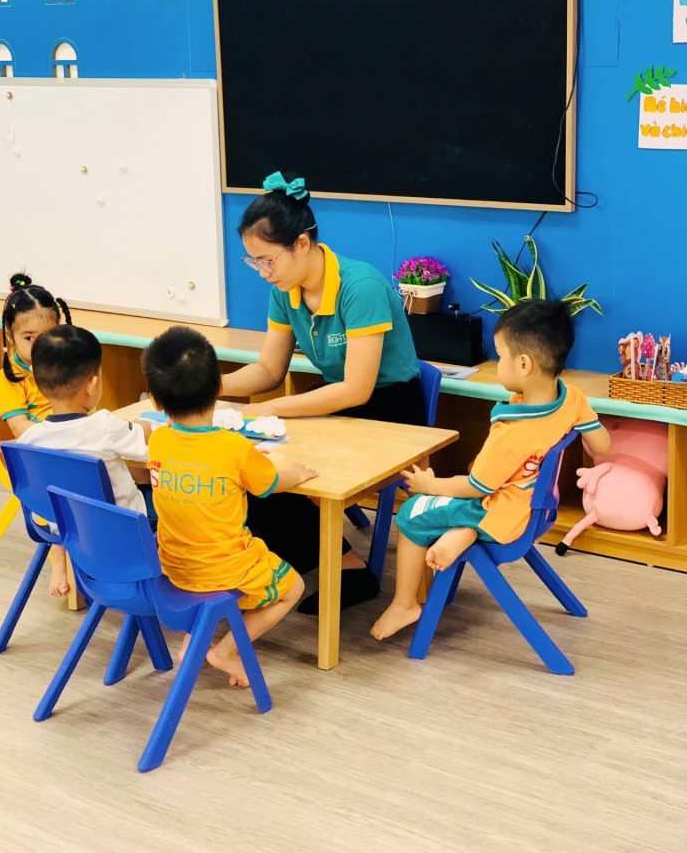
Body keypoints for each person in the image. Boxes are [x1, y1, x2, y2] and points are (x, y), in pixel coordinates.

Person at [221, 171, 424, 613]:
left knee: (276, 471)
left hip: (391, 408)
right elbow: (268, 369)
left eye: (267, 260)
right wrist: (212, 387)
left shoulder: (360, 287)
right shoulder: (285, 289)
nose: (263, 273)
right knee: (253, 470)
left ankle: (348, 570)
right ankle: (329, 560)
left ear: (302, 243)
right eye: (254, 263)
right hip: (338, 401)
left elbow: (357, 389)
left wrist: (269, 409)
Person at [371, 299, 611, 640]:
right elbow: (602, 446)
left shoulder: (511, 433)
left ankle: (405, 603)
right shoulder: (570, 396)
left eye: (500, 356)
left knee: (411, 513)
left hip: (500, 511)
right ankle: (462, 533)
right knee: (451, 498)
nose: (497, 364)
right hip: (538, 507)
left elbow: (477, 487)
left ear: (524, 364)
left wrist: (430, 485)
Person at [142, 326, 317, 687]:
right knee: (293, 588)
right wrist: (295, 473)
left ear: (156, 402)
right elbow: (271, 484)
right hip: (223, 568)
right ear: (219, 387)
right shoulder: (234, 448)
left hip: (173, 565)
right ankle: (225, 650)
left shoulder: (158, 442)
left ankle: (197, 636)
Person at [19, 325, 155, 597]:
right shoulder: (106, 426)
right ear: (93, 385)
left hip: (72, 532)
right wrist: (145, 422)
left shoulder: (30, 440)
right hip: (128, 529)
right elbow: (144, 443)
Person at [0, 273, 72, 438]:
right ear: (10, 335)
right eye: (29, 338)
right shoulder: (10, 379)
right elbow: (18, 426)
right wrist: (56, 437)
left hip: (70, 435)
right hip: (41, 445)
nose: (39, 345)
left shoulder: (63, 365)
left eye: (48, 335)